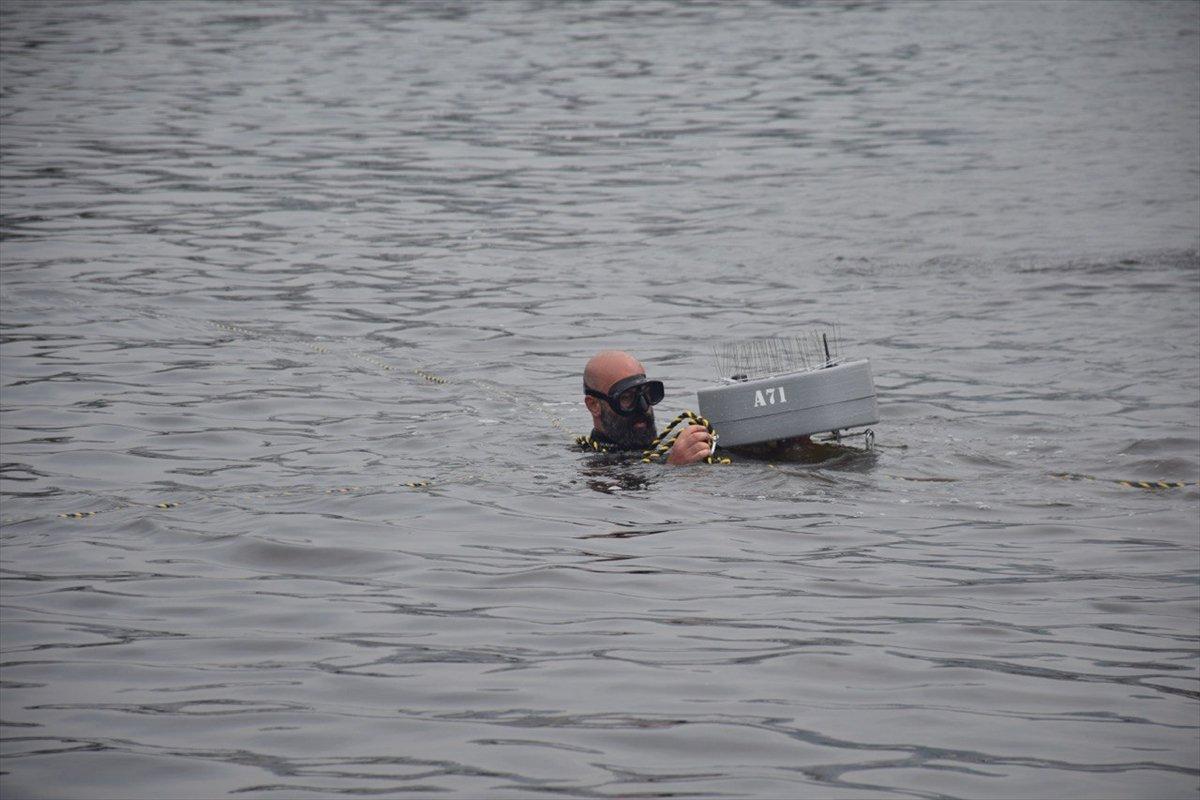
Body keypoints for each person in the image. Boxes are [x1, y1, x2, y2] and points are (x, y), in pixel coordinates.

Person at [580, 350, 714, 466]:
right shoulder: (593, 465)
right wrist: (674, 467)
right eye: (626, 397)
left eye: (646, 394)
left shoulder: (665, 448)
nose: (643, 407)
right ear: (594, 405)